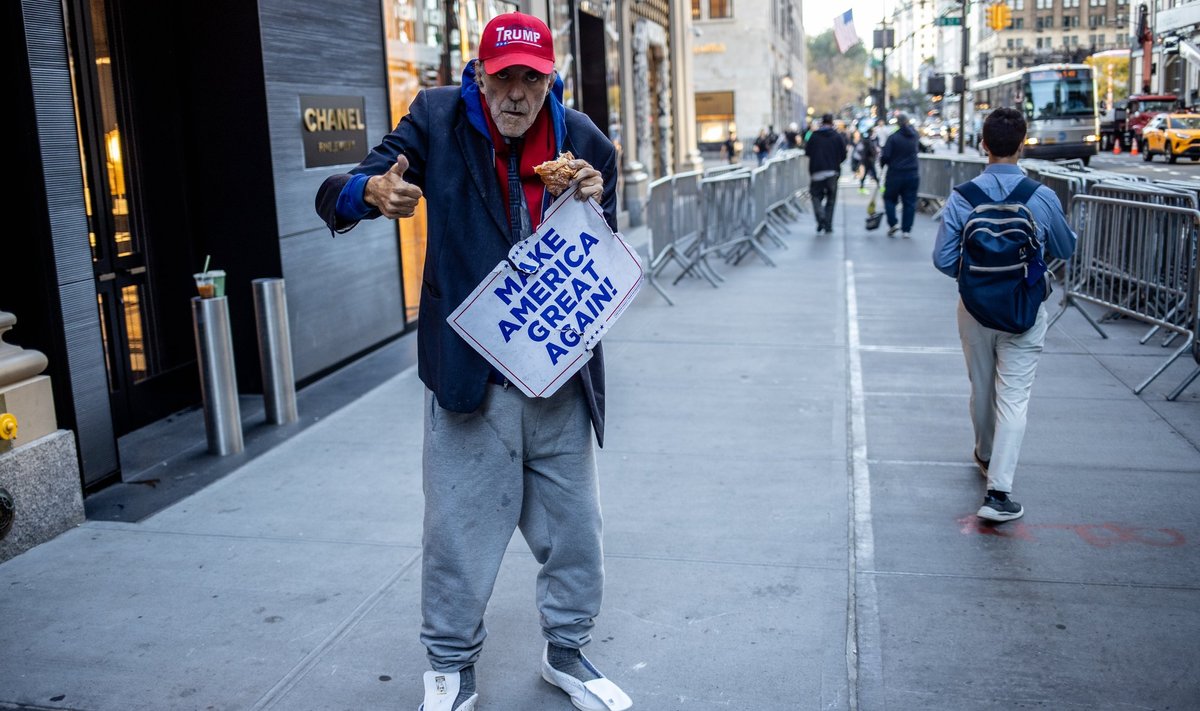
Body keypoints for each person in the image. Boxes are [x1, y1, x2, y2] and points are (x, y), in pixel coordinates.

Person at [314, 12, 632, 711]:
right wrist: (368, 192)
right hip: (472, 377)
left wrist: (600, 204)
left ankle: (568, 651)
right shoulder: (435, 119)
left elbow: (610, 239)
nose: (516, 93)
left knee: (575, 528)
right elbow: (343, 187)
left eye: (531, 78)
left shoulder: (582, 141)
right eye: (503, 77)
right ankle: (451, 667)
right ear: (479, 75)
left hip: (559, 378)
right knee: (459, 531)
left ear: (552, 80)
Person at [931, 107, 1077, 523]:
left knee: (981, 386)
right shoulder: (1041, 196)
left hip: (974, 309)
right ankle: (999, 492)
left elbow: (942, 259)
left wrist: (977, 275)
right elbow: (1066, 249)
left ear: (983, 144)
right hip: (1025, 308)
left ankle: (984, 452)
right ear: (1022, 144)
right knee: (1014, 396)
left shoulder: (963, 196)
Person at [879, 112, 922, 238]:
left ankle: (893, 223)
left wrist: (884, 164)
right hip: (912, 173)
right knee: (909, 202)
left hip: (895, 173)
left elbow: (885, 156)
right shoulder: (914, 136)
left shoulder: (893, 138)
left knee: (889, 199)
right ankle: (906, 229)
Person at [805, 113, 848, 234]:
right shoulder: (837, 136)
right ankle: (827, 224)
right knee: (831, 199)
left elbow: (807, 152)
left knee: (815, 196)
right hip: (832, 171)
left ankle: (821, 217)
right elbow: (843, 155)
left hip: (816, 171)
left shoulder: (814, 136)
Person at [857, 128, 880, 194]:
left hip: (865, 160)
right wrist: (875, 154)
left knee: (867, 174)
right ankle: (878, 186)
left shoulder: (865, 140)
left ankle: (862, 187)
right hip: (869, 160)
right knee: (873, 173)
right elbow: (871, 150)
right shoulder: (869, 141)